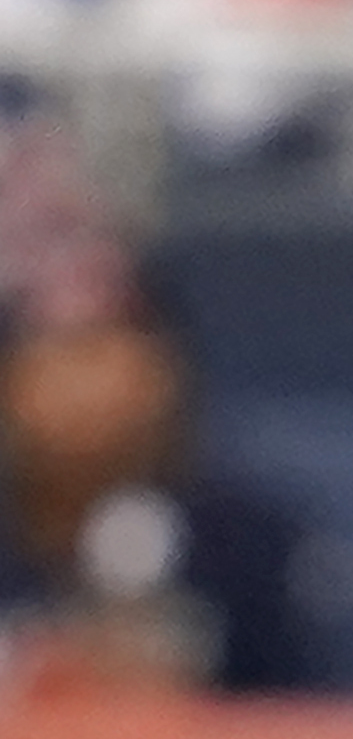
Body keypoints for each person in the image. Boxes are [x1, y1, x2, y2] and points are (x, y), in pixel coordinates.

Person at [0, 280, 333, 694]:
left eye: (97, 347)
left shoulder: (249, 543)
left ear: (163, 368)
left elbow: (306, 717)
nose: (77, 382)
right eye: (52, 349)